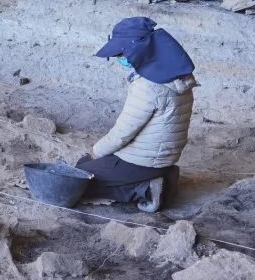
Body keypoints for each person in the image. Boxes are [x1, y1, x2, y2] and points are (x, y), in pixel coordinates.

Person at [76, 17, 196, 213]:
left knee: (78, 177)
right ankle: (163, 177)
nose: (120, 58)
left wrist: (96, 152)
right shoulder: (176, 76)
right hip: (163, 156)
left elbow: (123, 133)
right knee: (88, 165)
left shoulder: (149, 86)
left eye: (122, 53)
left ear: (139, 51)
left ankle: (144, 190)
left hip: (142, 161)